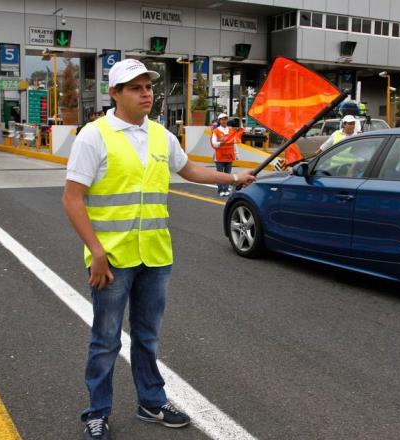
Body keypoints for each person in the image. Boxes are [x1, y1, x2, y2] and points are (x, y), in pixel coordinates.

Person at [61, 58, 255, 440]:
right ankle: (96, 413)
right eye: (135, 87)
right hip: (112, 259)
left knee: (147, 336)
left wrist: (234, 176)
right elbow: (72, 199)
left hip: (155, 255)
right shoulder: (94, 136)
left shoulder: (160, 135)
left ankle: (151, 401)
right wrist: (96, 253)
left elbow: (190, 171)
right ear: (115, 94)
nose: (146, 93)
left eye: (149, 86)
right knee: (105, 340)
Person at [210, 113, 240, 197]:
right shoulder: (216, 131)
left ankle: (226, 189)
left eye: (225, 119)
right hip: (219, 156)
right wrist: (221, 143)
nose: (224, 121)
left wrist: (237, 153)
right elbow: (214, 143)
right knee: (220, 174)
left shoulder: (231, 130)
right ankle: (220, 190)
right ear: (219, 121)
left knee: (227, 174)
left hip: (229, 155)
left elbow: (234, 143)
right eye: (222, 119)